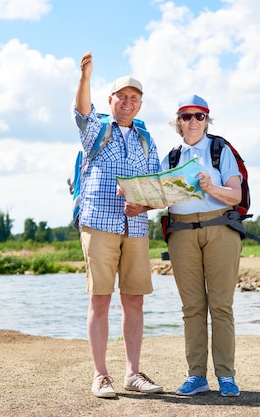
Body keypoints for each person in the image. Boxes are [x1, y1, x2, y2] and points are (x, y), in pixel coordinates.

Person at [73, 51, 163, 398]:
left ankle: (133, 373)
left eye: (134, 98)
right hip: (99, 224)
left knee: (134, 301)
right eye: (122, 97)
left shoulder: (146, 139)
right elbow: (82, 110)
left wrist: (143, 203)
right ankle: (100, 376)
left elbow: (157, 187)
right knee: (99, 299)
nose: (128, 102)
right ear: (110, 100)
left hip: (136, 229)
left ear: (140, 104)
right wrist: (85, 78)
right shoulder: (97, 129)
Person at [161, 94, 243, 397]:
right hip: (181, 233)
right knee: (192, 308)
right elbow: (160, 197)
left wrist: (212, 187)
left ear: (207, 120)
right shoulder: (170, 157)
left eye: (199, 116)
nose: (193, 121)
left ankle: (226, 376)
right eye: (186, 116)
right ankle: (196, 376)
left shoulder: (220, 150)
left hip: (220, 228)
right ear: (177, 122)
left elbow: (235, 196)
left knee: (221, 306)